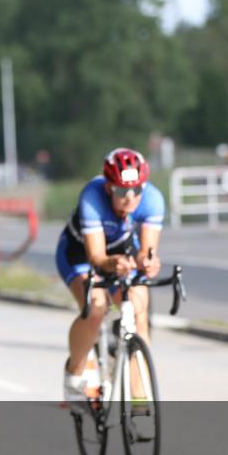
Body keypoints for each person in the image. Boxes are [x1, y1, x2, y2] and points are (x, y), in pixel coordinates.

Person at [54, 148, 164, 405]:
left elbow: (146, 251)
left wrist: (148, 262)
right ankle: (75, 373)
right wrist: (111, 264)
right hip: (80, 253)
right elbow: (97, 258)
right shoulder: (92, 197)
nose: (130, 198)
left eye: (136, 190)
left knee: (139, 311)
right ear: (108, 188)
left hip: (121, 251)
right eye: (121, 191)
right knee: (95, 309)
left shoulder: (153, 199)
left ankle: (139, 400)